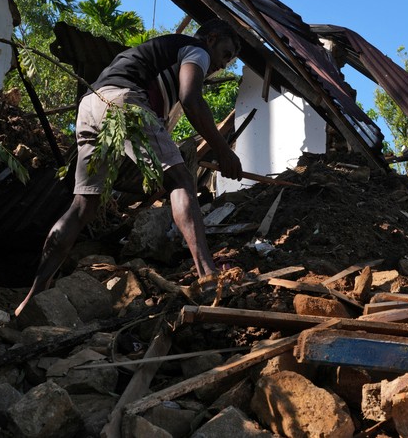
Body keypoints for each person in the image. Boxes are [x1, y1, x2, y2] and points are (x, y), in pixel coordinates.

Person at [15, 19, 243, 317]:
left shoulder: (161, 52)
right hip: (123, 100)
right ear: (212, 38)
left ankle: (33, 297)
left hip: (90, 105)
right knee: (180, 179)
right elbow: (191, 99)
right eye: (225, 55)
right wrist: (224, 151)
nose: (222, 65)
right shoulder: (197, 49)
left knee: (83, 206)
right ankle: (208, 274)